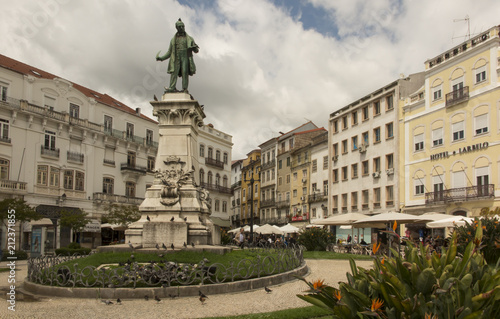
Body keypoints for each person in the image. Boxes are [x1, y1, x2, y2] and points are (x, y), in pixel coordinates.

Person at [156, 18, 199, 93]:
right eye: (180, 27)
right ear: (177, 28)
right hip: (176, 58)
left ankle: (184, 89)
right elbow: (169, 52)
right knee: (174, 73)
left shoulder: (190, 38)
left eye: (183, 26)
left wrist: (194, 48)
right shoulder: (173, 40)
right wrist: (161, 58)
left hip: (185, 57)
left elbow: (196, 51)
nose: (182, 28)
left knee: (185, 72)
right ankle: (172, 88)